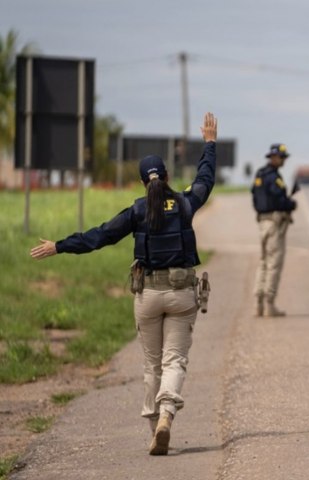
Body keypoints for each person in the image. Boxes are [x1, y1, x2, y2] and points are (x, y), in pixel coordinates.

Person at [30, 112, 218, 456]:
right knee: (174, 361)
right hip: (181, 295)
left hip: (147, 295)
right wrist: (209, 144)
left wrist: (59, 245)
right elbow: (205, 178)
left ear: (142, 182)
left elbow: (99, 236)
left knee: (152, 365)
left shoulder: (136, 211)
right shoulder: (187, 203)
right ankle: (166, 416)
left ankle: (154, 430)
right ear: (167, 176)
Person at [251, 143, 297, 317]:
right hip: (274, 224)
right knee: (273, 264)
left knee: (263, 263)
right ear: (274, 157)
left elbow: (255, 198)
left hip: (262, 222)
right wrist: (291, 204)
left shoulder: (260, 175)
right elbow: (279, 200)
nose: (284, 161)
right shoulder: (274, 177)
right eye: (282, 157)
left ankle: (258, 303)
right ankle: (269, 303)